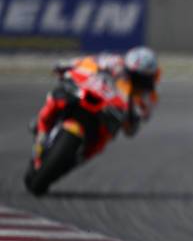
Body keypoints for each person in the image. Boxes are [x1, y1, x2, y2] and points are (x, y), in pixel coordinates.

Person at [31, 46, 160, 167]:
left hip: (109, 114)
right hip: (92, 92)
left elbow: (134, 126)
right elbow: (90, 62)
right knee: (60, 94)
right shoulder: (115, 62)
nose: (134, 79)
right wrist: (69, 64)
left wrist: (133, 117)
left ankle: (79, 158)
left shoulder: (148, 95)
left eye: (140, 77)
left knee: (104, 138)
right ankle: (42, 126)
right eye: (132, 73)